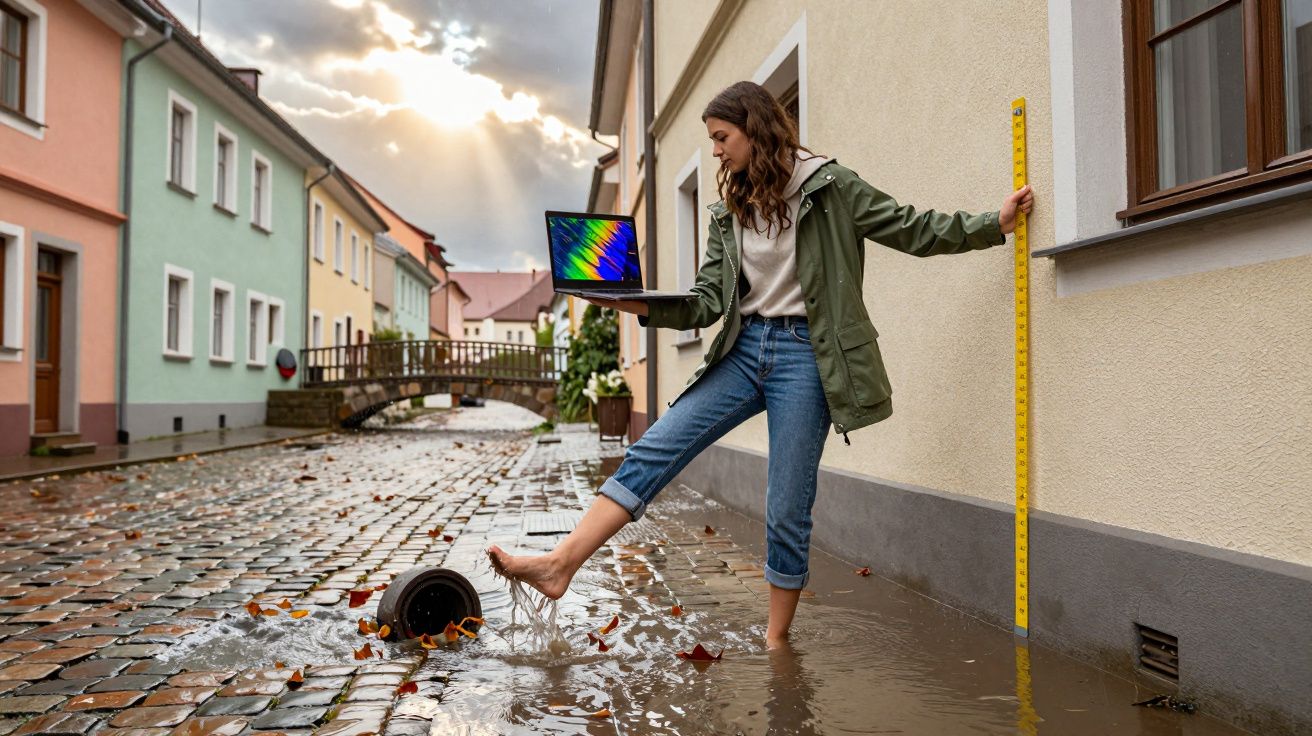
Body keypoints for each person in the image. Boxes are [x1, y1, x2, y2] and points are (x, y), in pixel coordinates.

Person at [490, 80, 1036, 648]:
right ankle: (561, 564)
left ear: (755, 128)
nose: (717, 151)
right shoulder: (730, 211)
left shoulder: (831, 186)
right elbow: (707, 300)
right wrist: (636, 304)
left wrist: (988, 225)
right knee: (654, 448)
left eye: (722, 137)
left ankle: (777, 642)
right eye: (712, 140)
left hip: (807, 356)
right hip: (744, 351)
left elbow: (911, 227)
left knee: (785, 505)